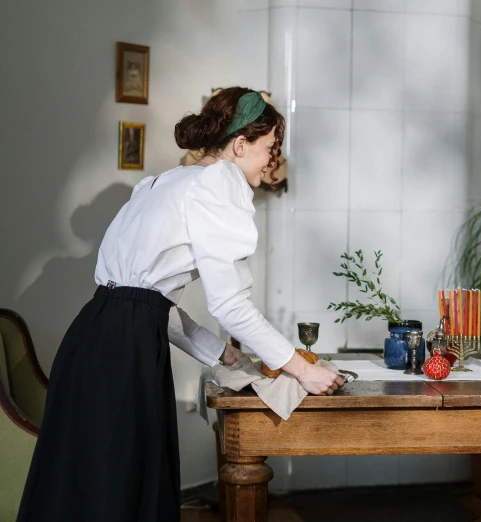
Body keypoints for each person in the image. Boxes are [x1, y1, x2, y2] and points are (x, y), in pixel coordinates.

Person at [17, 87, 344, 522]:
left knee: (86, 485)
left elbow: (147, 302)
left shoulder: (162, 183)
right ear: (240, 144)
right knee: (117, 486)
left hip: (93, 336)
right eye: (268, 149)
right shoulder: (219, 183)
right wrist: (303, 369)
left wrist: (219, 351)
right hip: (124, 351)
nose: (271, 163)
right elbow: (229, 304)